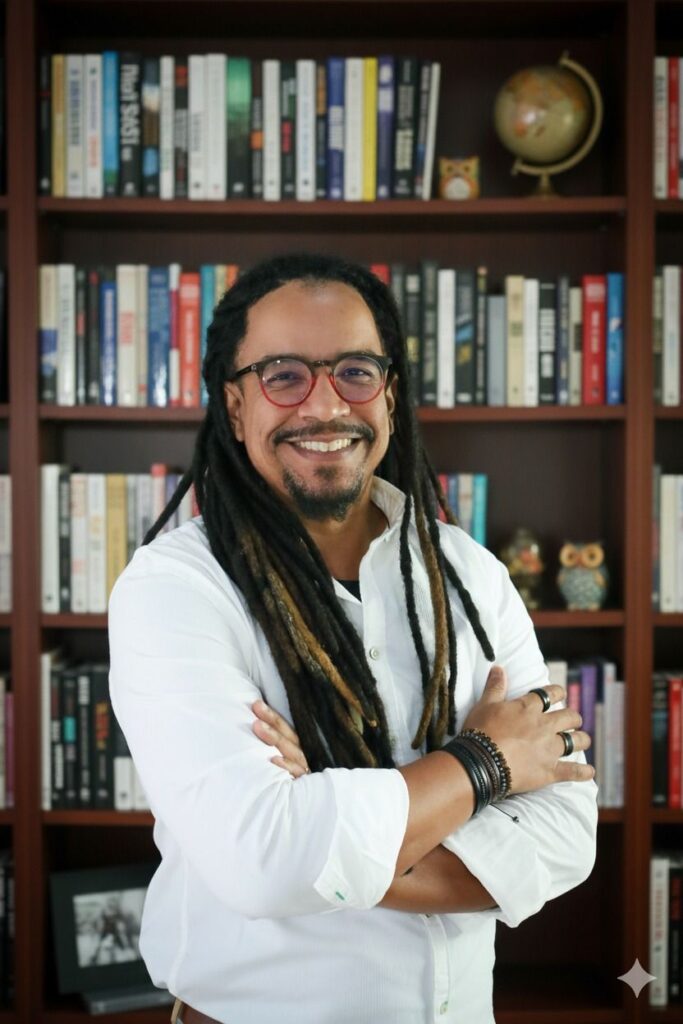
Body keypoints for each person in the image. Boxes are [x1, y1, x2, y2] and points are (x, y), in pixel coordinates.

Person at [108, 251, 598, 1024]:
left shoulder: (469, 573)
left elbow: (567, 833)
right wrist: (485, 764)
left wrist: (332, 828)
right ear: (234, 406)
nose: (325, 404)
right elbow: (265, 863)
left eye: (355, 372)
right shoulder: (174, 591)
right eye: (283, 375)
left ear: (389, 397)